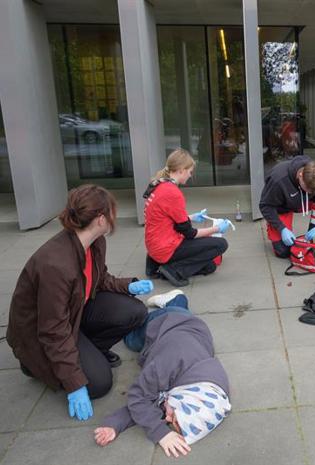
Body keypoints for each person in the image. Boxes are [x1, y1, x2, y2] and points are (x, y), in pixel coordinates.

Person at [7, 185, 152, 421]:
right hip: (40, 335)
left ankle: (89, 350)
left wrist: (128, 286)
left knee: (134, 311)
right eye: (112, 211)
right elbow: (52, 330)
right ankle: (34, 364)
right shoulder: (55, 265)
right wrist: (74, 384)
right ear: (101, 219)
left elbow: (99, 279)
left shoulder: (95, 242)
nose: (115, 216)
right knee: (99, 384)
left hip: (72, 315)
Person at [94, 290, 231, 459]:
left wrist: (114, 424)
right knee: (131, 339)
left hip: (192, 329)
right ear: (184, 399)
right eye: (173, 418)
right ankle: (129, 304)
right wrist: (160, 433)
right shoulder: (165, 367)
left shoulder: (211, 394)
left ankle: (177, 300)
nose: (166, 418)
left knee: (179, 311)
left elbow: (158, 403)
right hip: (163, 322)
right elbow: (140, 398)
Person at [144, 148, 230, 287]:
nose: (190, 176)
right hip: (166, 247)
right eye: (190, 172)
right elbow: (190, 233)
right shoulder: (173, 192)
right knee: (221, 244)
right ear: (181, 170)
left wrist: (192, 217)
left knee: (210, 267)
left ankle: (155, 264)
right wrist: (217, 229)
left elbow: (164, 218)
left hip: (154, 246)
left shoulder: (159, 185)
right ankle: (174, 270)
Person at [259, 155, 315, 258]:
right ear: (300, 174)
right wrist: (281, 228)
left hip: (304, 202)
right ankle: (275, 227)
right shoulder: (278, 179)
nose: (310, 192)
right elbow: (265, 206)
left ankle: (313, 236)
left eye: (313, 190)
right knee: (283, 251)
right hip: (282, 208)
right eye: (307, 188)